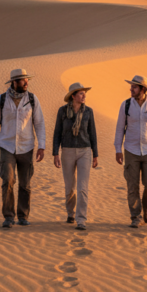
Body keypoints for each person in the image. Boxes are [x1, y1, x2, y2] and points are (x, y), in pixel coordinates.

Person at [0, 68, 46, 228]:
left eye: (26, 79)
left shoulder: (32, 99)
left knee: (25, 184)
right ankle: (8, 216)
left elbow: (39, 123)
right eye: (21, 80)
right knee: (8, 180)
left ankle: (23, 215)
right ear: (14, 82)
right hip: (7, 146)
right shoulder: (2, 100)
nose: (26, 82)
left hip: (26, 147)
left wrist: (42, 146)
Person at [114, 74, 147, 228]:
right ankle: (136, 216)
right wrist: (118, 149)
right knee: (132, 185)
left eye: (134, 87)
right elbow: (119, 128)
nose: (131, 89)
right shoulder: (126, 105)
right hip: (130, 150)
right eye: (131, 86)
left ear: (143, 89)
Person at [52, 82, 99, 230]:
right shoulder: (62, 111)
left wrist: (95, 154)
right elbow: (57, 132)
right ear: (73, 96)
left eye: (84, 93)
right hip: (67, 151)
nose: (84, 95)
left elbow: (93, 134)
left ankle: (81, 219)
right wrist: (55, 153)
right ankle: (71, 213)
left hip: (85, 151)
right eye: (80, 93)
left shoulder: (88, 112)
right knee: (69, 187)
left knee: (82, 187)